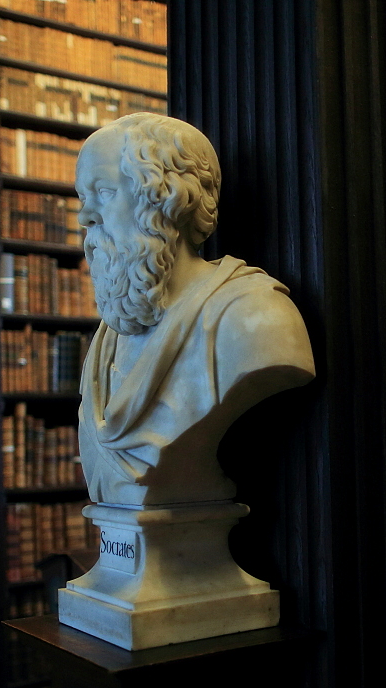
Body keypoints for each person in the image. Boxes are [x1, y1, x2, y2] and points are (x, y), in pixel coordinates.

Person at [74, 112, 315, 507]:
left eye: (104, 191)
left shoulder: (254, 319)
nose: (85, 217)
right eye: (82, 198)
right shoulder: (108, 339)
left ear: (167, 200)